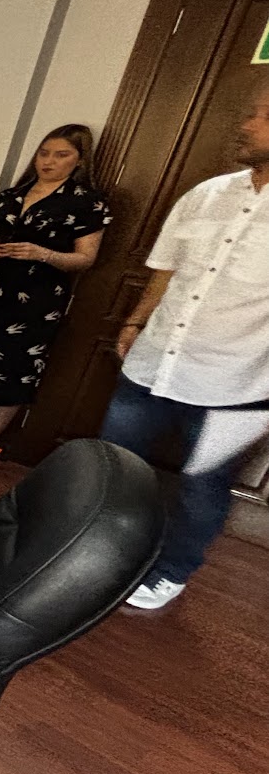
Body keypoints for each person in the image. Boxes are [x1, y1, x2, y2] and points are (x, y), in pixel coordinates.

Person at [103, 83, 269, 610]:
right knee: (114, 468)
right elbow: (165, 274)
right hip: (152, 365)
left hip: (236, 385)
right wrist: (133, 326)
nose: (245, 125)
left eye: (262, 115)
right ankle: (96, 552)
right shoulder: (205, 195)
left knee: (203, 484)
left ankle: (171, 569)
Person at [0, 124, 110, 472]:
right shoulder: (9, 196)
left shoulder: (86, 203)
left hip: (37, 302)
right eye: (44, 153)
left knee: (14, 371)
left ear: (79, 161)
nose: (49, 161)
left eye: (61, 155)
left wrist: (42, 253)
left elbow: (86, 259)